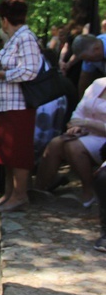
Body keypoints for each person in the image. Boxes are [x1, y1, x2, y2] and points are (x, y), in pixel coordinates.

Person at [0, 0, 40, 212]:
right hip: (6, 105)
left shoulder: (25, 38)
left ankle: (20, 195)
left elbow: (30, 70)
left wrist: (2, 74)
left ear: (5, 19)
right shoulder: (14, 39)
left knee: (18, 154)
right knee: (7, 153)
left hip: (19, 106)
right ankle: (9, 194)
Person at [34, 76, 106, 207]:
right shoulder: (98, 83)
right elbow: (79, 111)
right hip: (87, 133)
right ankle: (39, 190)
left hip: (103, 139)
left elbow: (85, 121)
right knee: (56, 143)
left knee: (73, 147)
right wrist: (75, 127)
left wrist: (87, 123)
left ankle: (89, 190)